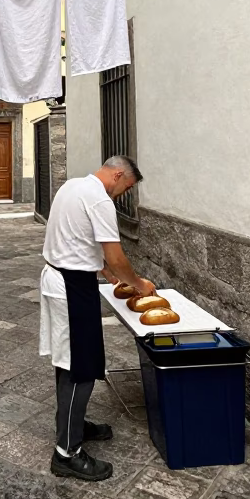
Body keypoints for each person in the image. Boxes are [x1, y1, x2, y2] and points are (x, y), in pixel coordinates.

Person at [39, 155, 153, 481]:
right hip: (73, 288)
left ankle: (75, 426)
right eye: (125, 188)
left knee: (68, 361)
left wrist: (102, 268)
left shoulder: (72, 187)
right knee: (82, 368)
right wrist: (138, 283)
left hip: (60, 278)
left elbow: (72, 237)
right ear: (117, 175)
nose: (121, 195)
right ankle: (67, 453)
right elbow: (116, 256)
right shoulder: (100, 199)